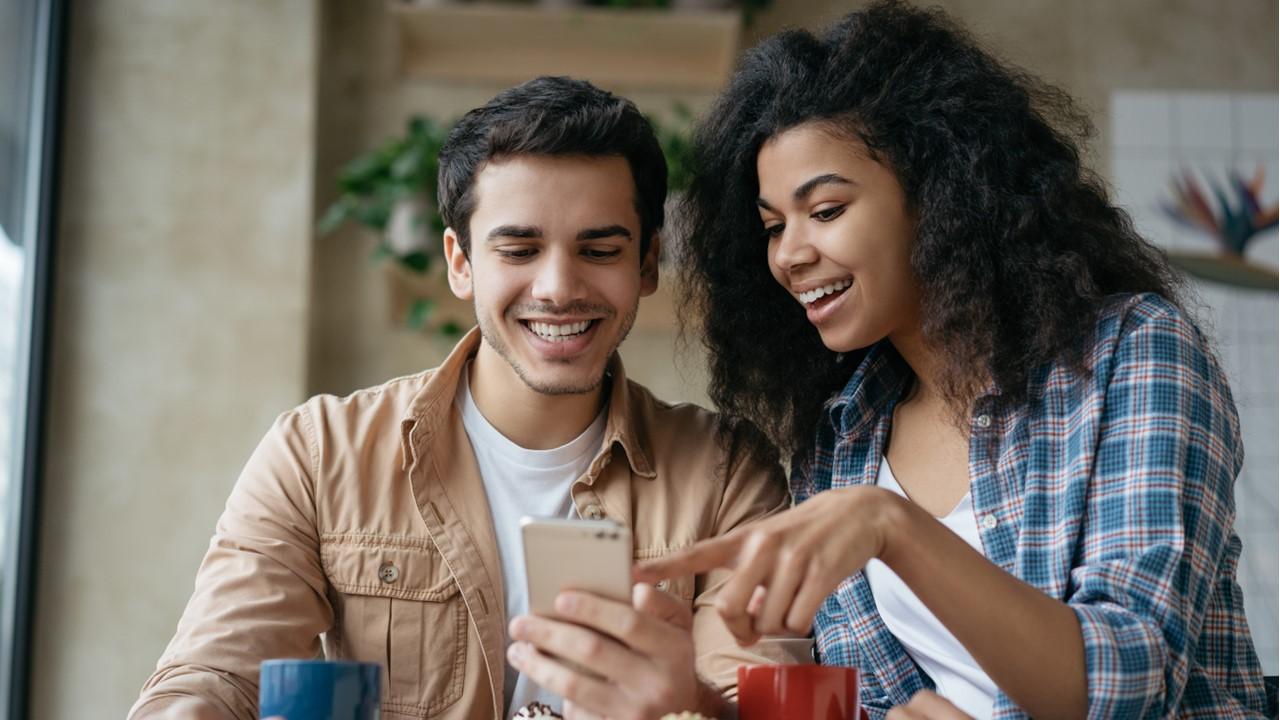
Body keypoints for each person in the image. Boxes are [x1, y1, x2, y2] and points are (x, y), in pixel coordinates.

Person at [636, 2, 1268, 718]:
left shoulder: (1133, 355)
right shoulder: (843, 436)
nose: (790, 254)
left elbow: (1129, 679)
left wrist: (893, 527)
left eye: (827, 211)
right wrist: (687, 693)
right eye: (774, 227)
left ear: (939, 195)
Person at [130, 76, 808, 720]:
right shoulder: (319, 453)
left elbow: (759, 696)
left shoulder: (727, 475)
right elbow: (213, 676)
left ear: (649, 262)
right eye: (518, 249)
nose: (556, 287)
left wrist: (688, 703)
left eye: (599, 250)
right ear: (459, 262)